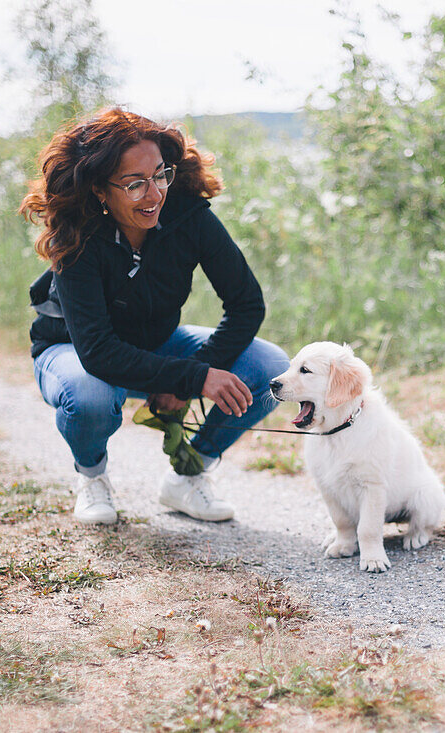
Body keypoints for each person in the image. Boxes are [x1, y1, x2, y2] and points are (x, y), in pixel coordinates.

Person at [19, 107, 288, 525]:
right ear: (99, 190)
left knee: (268, 365)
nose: (154, 193)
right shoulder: (76, 236)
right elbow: (99, 353)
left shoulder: (188, 215)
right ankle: (91, 477)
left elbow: (246, 304)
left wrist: (192, 371)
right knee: (91, 396)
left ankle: (187, 475)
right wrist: (193, 378)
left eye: (160, 174)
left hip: (155, 343)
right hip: (73, 350)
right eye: (134, 184)